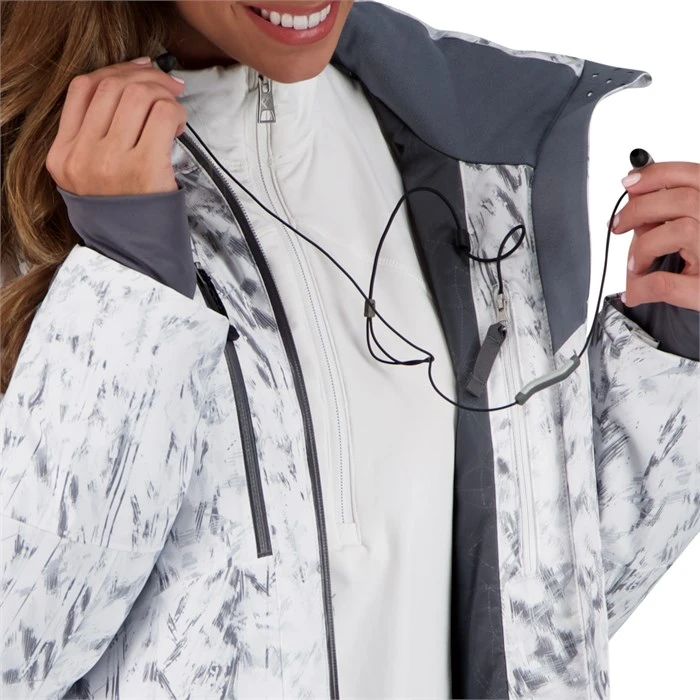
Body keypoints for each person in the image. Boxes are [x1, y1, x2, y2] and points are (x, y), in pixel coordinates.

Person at [1, 1, 698, 698]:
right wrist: (127, 300)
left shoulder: (479, 151)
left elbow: (541, 617)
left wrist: (674, 347)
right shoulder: (24, 187)